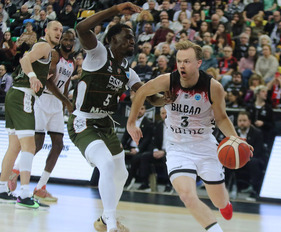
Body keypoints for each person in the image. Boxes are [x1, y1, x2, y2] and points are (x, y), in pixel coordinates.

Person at [127, 40, 253, 232]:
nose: (182, 65)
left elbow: (221, 118)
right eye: (179, 61)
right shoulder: (168, 80)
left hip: (205, 145)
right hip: (178, 147)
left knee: (218, 200)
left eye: (187, 61)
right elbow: (142, 91)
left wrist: (236, 140)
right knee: (186, 195)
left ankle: (224, 204)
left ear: (199, 63)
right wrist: (130, 122)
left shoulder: (213, 87)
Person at [67, 3, 164, 232]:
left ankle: (103, 219)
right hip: (84, 123)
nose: (133, 40)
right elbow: (81, 27)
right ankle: (111, 225)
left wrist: (168, 98)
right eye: (127, 36)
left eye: (133, 37)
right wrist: (116, 10)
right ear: (111, 39)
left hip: (105, 125)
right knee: (107, 165)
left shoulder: (127, 70)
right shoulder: (99, 53)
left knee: (121, 173)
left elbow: (149, 96)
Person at [0, 20, 63, 209]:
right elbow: (24, 60)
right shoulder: (44, 46)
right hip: (23, 96)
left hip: (14, 96)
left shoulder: (46, 50)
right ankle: (25, 193)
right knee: (29, 146)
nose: (58, 33)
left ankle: (3, 188)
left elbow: (29, 62)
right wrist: (34, 77)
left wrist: (41, 76)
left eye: (61, 30)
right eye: (55, 29)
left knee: (14, 147)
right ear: (46, 30)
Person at [7, 31, 75, 202]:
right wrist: (66, 100)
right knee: (36, 144)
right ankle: (15, 172)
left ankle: (41, 186)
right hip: (43, 99)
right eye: (64, 38)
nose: (67, 41)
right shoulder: (53, 55)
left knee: (58, 144)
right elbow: (48, 81)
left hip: (57, 104)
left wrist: (64, 103)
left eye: (70, 39)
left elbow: (65, 84)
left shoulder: (71, 62)